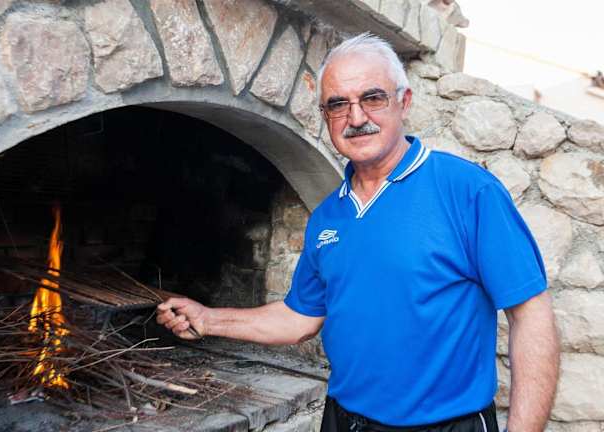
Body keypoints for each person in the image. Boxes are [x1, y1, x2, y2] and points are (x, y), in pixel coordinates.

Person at [156, 33, 559, 432]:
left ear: (404, 102)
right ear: (325, 115)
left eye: (373, 98)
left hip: (447, 426)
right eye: (338, 105)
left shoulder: (468, 191)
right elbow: (299, 318)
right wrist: (209, 319)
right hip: (344, 420)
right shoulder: (327, 217)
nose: (356, 118)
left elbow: (530, 315)